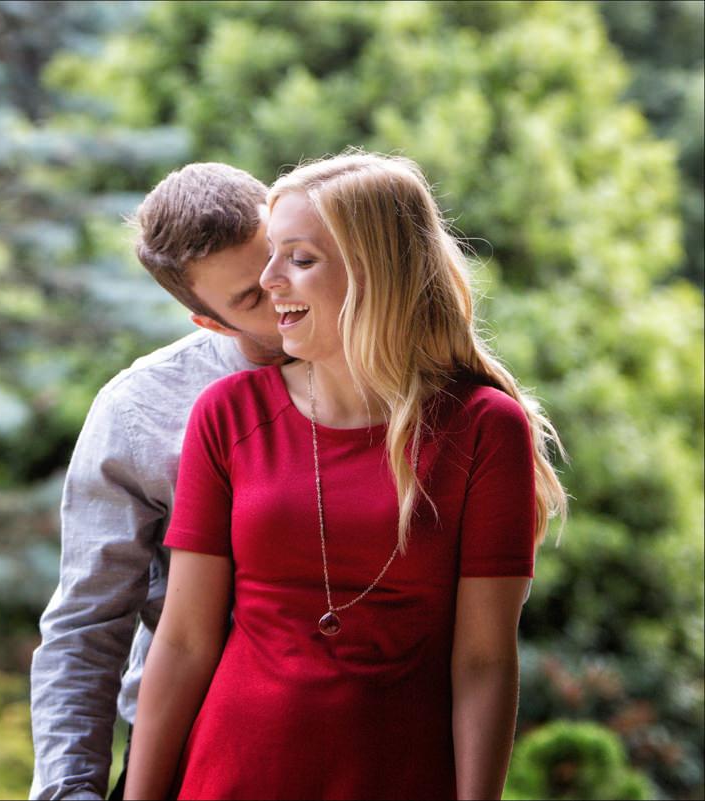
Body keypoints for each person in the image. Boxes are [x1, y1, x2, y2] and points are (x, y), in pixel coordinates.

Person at [123, 151, 568, 801]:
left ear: (373, 272)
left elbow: (483, 661)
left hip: (403, 777)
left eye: (299, 258)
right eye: (272, 255)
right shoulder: (227, 413)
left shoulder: (485, 428)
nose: (270, 278)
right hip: (228, 775)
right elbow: (184, 641)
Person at [29, 163, 291, 800]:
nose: (284, 294)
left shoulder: (385, 368)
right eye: (251, 299)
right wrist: (70, 790)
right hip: (183, 751)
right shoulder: (140, 410)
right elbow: (87, 625)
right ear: (209, 320)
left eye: (282, 261)